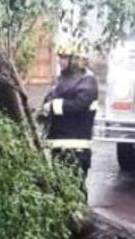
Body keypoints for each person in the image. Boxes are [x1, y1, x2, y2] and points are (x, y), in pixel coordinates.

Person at [40, 39, 99, 185]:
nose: (60, 61)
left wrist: (53, 105)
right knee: (59, 188)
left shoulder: (87, 81)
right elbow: (50, 98)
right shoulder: (61, 79)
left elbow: (79, 105)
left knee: (76, 187)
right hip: (57, 146)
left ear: (76, 59)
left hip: (77, 148)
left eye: (65, 57)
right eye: (60, 57)